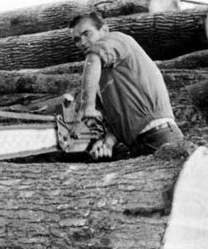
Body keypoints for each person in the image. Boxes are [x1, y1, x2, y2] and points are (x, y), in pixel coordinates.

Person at [66, 11, 183, 160]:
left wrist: (87, 106)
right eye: (76, 39)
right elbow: (120, 122)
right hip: (140, 143)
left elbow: (93, 58)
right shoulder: (102, 76)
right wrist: (107, 143)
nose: (82, 42)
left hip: (160, 136)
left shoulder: (117, 39)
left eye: (86, 34)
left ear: (104, 30)